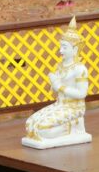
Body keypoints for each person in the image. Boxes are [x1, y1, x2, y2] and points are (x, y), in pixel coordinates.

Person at [23, 16, 92, 149]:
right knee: (30, 124)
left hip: (74, 108)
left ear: (75, 49)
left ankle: (71, 126)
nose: (61, 51)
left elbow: (82, 93)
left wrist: (59, 86)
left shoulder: (80, 69)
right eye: (61, 47)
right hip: (59, 104)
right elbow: (56, 90)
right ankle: (65, 127)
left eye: (65, 47)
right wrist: (54, 82)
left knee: (43, 128)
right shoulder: (60, 66)